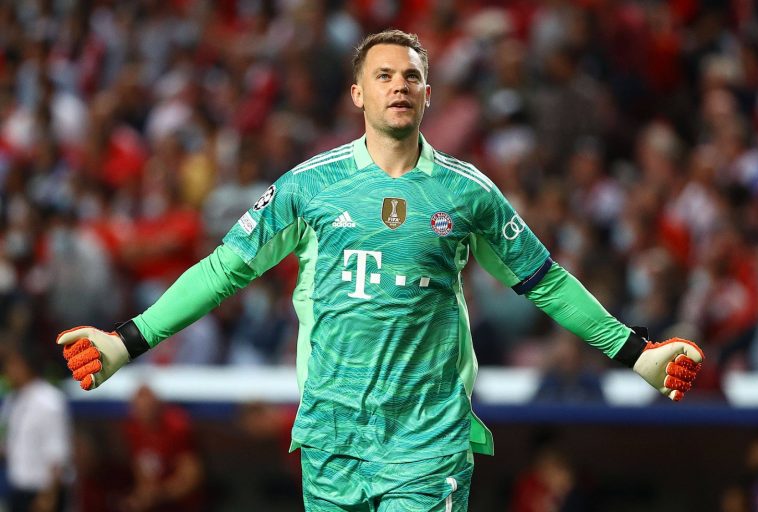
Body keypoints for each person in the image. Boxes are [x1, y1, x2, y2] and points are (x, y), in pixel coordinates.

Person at [56, 30, 705, 511]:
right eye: (385, 75)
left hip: (428, 435)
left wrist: (637, 352)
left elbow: (548, 282)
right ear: (358, 93)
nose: (399, 85)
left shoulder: (467, 193)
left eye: (411, 76)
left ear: (428, 94)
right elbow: (222, 270)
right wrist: (125, 340)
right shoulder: (309, 187)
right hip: (332, 436)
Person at [0, 345, 73, 512]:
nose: (8, 370)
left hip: (42, 492)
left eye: (13, 364)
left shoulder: (49, 401)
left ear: (26, 365)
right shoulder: (11, 401)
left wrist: (49, 497)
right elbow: (8, 444)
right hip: (17, 490)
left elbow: (58, 454)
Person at [120, 385, 204, 512]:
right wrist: (142, 496)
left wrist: (160, 494)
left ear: (158, 406)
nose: (144, 412)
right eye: (139, 408)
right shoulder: (133, 429)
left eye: (149, 407)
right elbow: (141, 467)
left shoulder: (176, 427)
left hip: (182, 503)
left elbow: (191, 478)